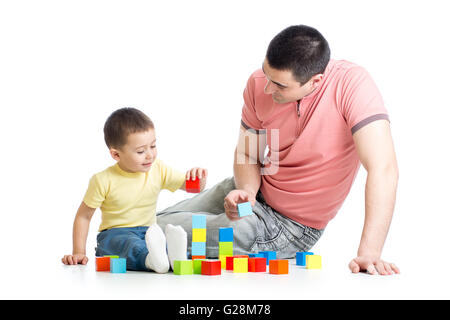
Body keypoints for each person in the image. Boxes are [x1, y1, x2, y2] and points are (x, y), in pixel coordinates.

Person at [157, 25, 400, 276]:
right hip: (251, 192)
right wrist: (247, 191)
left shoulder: (352, 85)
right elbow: (248, 154)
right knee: (145, 219)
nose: (267, 89)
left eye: (280, 86)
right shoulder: (258, 83)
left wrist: (370, 252)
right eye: (266, 75)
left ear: (316, 81)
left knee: (153, 229)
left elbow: (383, 167)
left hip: (290, 226)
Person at [61, 107, 207, 273]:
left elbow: (191, 187)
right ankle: (153, 260)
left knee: (161, 243)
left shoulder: (158, 169)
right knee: (129, 245)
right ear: (116, 155)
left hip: (149, 232)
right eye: (141, 151)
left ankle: (175, 259)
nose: (150, 155)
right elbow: (84, 216)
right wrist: (79, 252)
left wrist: (198, 179)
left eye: (153, 146)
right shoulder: (103, 180)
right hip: (114, 234)